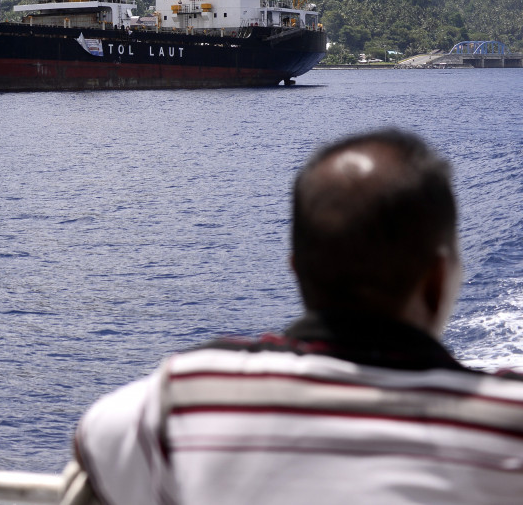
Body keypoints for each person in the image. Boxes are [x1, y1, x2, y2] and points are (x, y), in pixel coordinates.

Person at [70, 129, 523, 505]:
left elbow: (96, 436)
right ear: (437, 279)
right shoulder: (508, 423)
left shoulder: (185, 395)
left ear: (297, 269)